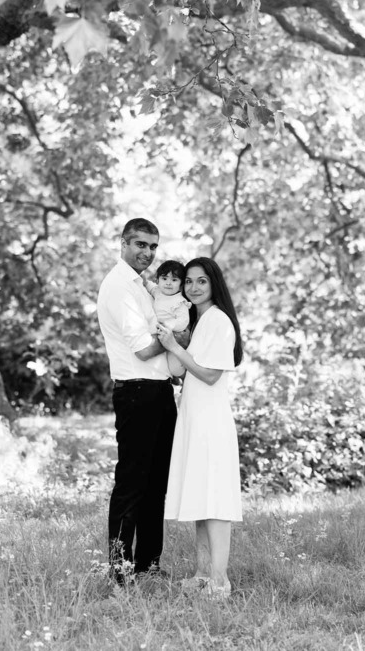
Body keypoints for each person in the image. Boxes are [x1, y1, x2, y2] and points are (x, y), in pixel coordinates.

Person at [96, 218, 179, 585]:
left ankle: (149, 565)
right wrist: (179, 335)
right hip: (137, 391)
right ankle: (120, 571)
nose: (147, 252)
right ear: (123, 244)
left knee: (156, 484)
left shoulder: (144, 286)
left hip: (159, 391)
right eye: (140, 244)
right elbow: (145, 348)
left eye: (152, 246)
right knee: (131, 484)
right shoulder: (118, 286)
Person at [156, 256, 244, 600]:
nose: (193, 287)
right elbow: (185, 370)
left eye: (201, 281)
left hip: (211, 422)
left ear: (214, 284)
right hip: (194, 417)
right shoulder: (201, 320)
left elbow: (209, 374)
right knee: (201, 499)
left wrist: (176, 348)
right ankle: (203, 574)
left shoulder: (219, 321)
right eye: (188, 281)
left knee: (216, 503)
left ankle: (220, 582)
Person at [148, 260, 191, 333]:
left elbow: (183, 321)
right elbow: (151, 287)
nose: (168, 283)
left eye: (174, 280)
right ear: (157, 280)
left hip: (168, 332)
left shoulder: (179, 302)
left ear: (181, 284)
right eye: (164, 279)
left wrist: (168, 324)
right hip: (153, 328)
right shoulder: (158, 291)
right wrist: (145, 282)